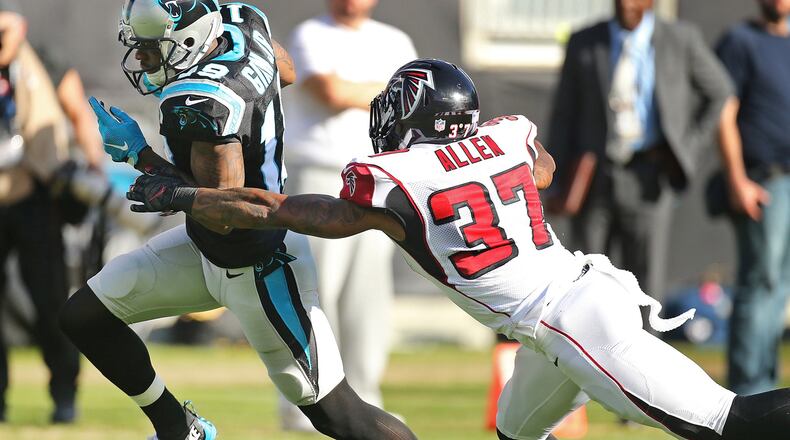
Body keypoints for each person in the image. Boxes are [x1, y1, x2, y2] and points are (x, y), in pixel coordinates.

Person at [130, 58, 790, 440]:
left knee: (725, 423)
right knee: (513, 431)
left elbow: (271, 210)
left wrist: (183, 196)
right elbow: (544, 169)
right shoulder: (506, 136)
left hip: (570, 319)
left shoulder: (391, 182)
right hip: (569, 303)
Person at [57, 1, 417, 440]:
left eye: (152, 50)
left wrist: (143, 158)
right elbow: (286, 73)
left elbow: (225, 210)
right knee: (85, 316)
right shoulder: (242, 20)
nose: (143, 61)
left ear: (187, 40)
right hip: (204, 250)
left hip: (259, 263)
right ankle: (178, 427)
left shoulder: (198, 101)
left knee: (339, 414)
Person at [280, 0, 417, 427]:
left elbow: (415, 107)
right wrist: (385, 92)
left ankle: (365, 398)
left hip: (379, 180)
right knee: (314, 290)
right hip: (320, 176)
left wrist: (360, 91)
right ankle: (307, 404)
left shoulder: (395, 40)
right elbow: (330, 92)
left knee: (368, 298)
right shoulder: (309, 34)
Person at [547, 0, 733, 311]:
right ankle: (589, 355)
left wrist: (688, 145)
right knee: (588, 277)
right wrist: (555, 180)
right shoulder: (586, 42)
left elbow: (720, 91)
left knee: (646, 281)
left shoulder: (679, 39)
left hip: (649, 174)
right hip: (596, 175)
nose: (626, 3)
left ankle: (643, 354)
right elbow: (564, 113)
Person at [0, 9, 92, 423]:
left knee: (51, 301)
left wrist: (93, 167)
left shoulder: (42, 59)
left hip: (37, 195)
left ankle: (64, 396)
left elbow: (77, 111)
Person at [715, 0, 790, 396]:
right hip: (765, 180)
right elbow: (723, 113)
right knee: (761, 281)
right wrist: (738, 179)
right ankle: (748, 390)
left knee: (779, 287)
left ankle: (767, 385)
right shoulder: (740, 41)